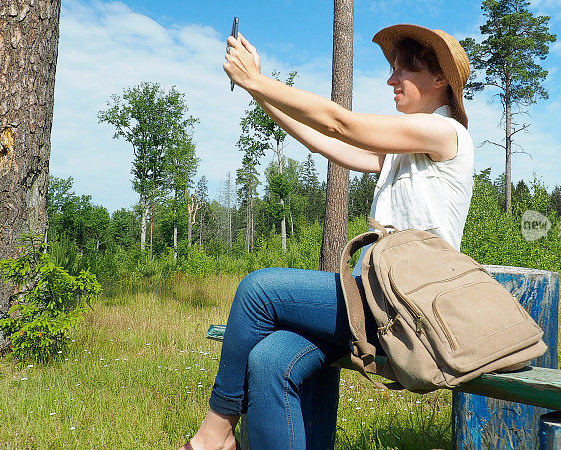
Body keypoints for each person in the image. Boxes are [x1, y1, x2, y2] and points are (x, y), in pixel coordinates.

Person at [181, 24, 474, 450]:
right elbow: (325, 141)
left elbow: (341, 123)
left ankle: (215, 431)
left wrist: (256, 78)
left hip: (406, 311)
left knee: (258, 291)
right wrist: (256, 92)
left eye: (403, 71)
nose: (391, 80)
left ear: (439, 79)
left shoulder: (446, 133)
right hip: (373, 300)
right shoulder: (406, 148)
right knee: (270, 362)